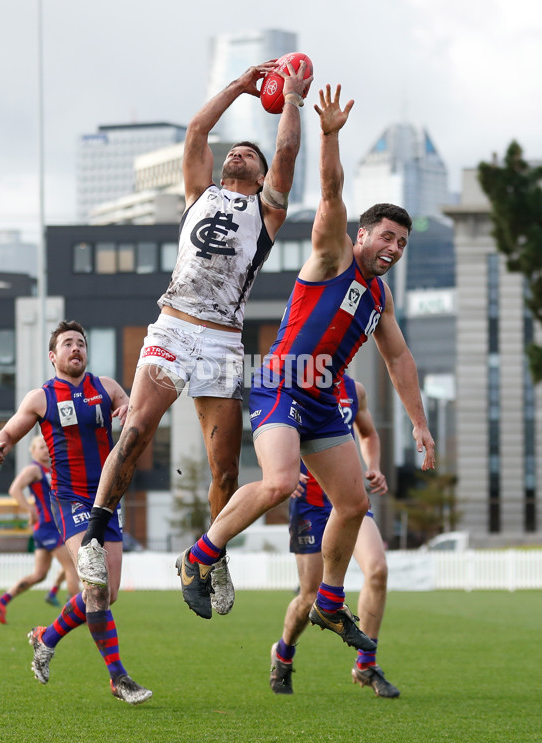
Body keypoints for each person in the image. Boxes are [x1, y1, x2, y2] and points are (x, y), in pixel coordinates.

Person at [176, 84, 435, 638]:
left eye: (402, 243)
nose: (393, 247)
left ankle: (329, 600)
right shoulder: (334, 251)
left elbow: (401, 360)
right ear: (362, 235)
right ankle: (198, 556)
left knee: (351, 500)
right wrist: (331, 135)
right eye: (386, 236)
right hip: (280, 382)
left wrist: (419, 423)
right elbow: (331, 189)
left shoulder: (380, 297)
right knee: (278, 482)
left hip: (320, 397)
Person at [77, 59, 313, 618]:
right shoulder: (198, 194)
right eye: (236, 152)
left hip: (224, 343)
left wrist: (293, 101)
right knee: (135, 429)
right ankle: (94, 537)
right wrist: (239, 86)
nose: (238, 154)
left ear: (260, 178)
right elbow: (197, 133)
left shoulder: (265, 211)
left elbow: (285, 156)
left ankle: (212, 554)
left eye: (248, 156)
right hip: (174, 324)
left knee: (226, 469)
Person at [0, 320, 151, 705]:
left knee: (106, 595)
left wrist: (126, 407)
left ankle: (47, 637)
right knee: (93, 587)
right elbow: (9, 433)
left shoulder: (105, 387)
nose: (76, 349)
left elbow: (129, 405)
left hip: (108, 498)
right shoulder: (40, 398)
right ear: (53, 356)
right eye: (67, 344)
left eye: (80, 343)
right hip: (71, 502)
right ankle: (118, 678)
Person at [269, 375, 399, 698]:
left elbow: (367, 433)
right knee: (310, 595)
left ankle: (366, 665)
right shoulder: (295, 382)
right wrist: (278, 469)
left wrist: (374, 466)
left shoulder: (356, 390)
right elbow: (269, 427)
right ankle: (283, 653)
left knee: (378, 571)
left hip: (347, 500)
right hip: (311, 504)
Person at [0, 435, 79, 624]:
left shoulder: (49, 470)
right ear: (32, 451)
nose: (45, 450)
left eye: (47, 447)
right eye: (40, 447)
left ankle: (2, 600)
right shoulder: (33, 469)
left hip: (48, 527)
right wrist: (30, 509)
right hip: (48, 527)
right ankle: (80, 614)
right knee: (72, 567)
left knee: (39, 575)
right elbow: (14, 489)